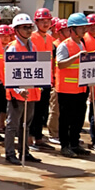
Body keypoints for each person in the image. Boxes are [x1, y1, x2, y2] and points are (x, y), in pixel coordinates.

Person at [3, 14, 42, 165]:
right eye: (25, 27)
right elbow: (8, 73)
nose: (28, 30)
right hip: (16, 94)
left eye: (30, 27)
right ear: (16, 30)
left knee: (26, 124)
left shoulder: (33, 46)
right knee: (12, 125)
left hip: (31, 92)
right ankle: (10, 153)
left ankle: (24, 151)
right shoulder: (12, 48)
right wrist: (18, 90)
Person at [56, 13, 92, 157]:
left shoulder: (82, 43)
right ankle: (65, 146)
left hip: (81, 88)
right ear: (72, 29)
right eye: (81, 27)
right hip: (66, 90)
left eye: (84, 27)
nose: (84, 30)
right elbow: (60, 64)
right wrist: (76, 57)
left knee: (78, 118)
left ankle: (74, 144)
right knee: (66, 119)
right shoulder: (64, 46)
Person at [29, 8, 55, 151]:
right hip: (34, 79)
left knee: (42, 110)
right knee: (33, 111)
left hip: (46, 79)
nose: (45, 24)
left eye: (47, 21)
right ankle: (30, 138)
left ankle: (38, 138)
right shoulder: (31, 37)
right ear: (36, 22)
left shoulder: (50, 39)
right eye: (42, 21)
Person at [48, 19, 69, 144]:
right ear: (60, 32)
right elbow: (51, 64)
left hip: (69, 83)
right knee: (55, 109)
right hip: (57, 82)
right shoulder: (55, 46)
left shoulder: (71, 44)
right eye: (67, 30)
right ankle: (54, 133)